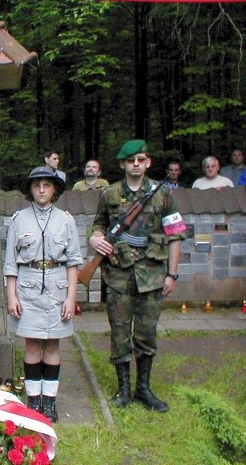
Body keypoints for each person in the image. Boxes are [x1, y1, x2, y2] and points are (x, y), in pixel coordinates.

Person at [87, 139, 186, 413]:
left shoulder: (162, 195)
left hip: (152, 275)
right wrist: (95, 241)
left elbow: (175, 235)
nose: (136, 164)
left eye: (141, 159)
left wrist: (172, 274)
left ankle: (144, 388)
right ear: (122, 164)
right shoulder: (109, 194)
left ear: (148, 162)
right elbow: (98, 225)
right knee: (120, 333)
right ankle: (124, 389)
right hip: (118, 275)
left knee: (146, 335)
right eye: (131, 160)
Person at [3, 166, 82, 423]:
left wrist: (71, 297)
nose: (41, 190)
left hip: (57, 290)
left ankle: (50, 401)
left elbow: (73, 262)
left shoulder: (66, 220)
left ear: (55, 189)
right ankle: (33, 400)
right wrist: (11, 296)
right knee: (32, 343)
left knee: (52, 344)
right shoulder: (19, 219)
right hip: (28, 288)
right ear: (30, 190)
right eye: (36, 185)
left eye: (46, 185)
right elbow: (10, 263)